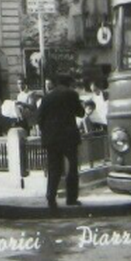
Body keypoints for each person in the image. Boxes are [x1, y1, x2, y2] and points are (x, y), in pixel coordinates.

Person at [37, 74, 85, 212]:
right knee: (72, 167)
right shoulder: (72, 94)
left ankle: (51, 198)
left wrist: (47, 131)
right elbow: (81, 113)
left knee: (54, 169)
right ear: (69, 83)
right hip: (69, 137)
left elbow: (39, 118)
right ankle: (71, 198)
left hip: (52, 138)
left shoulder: (47, 97)